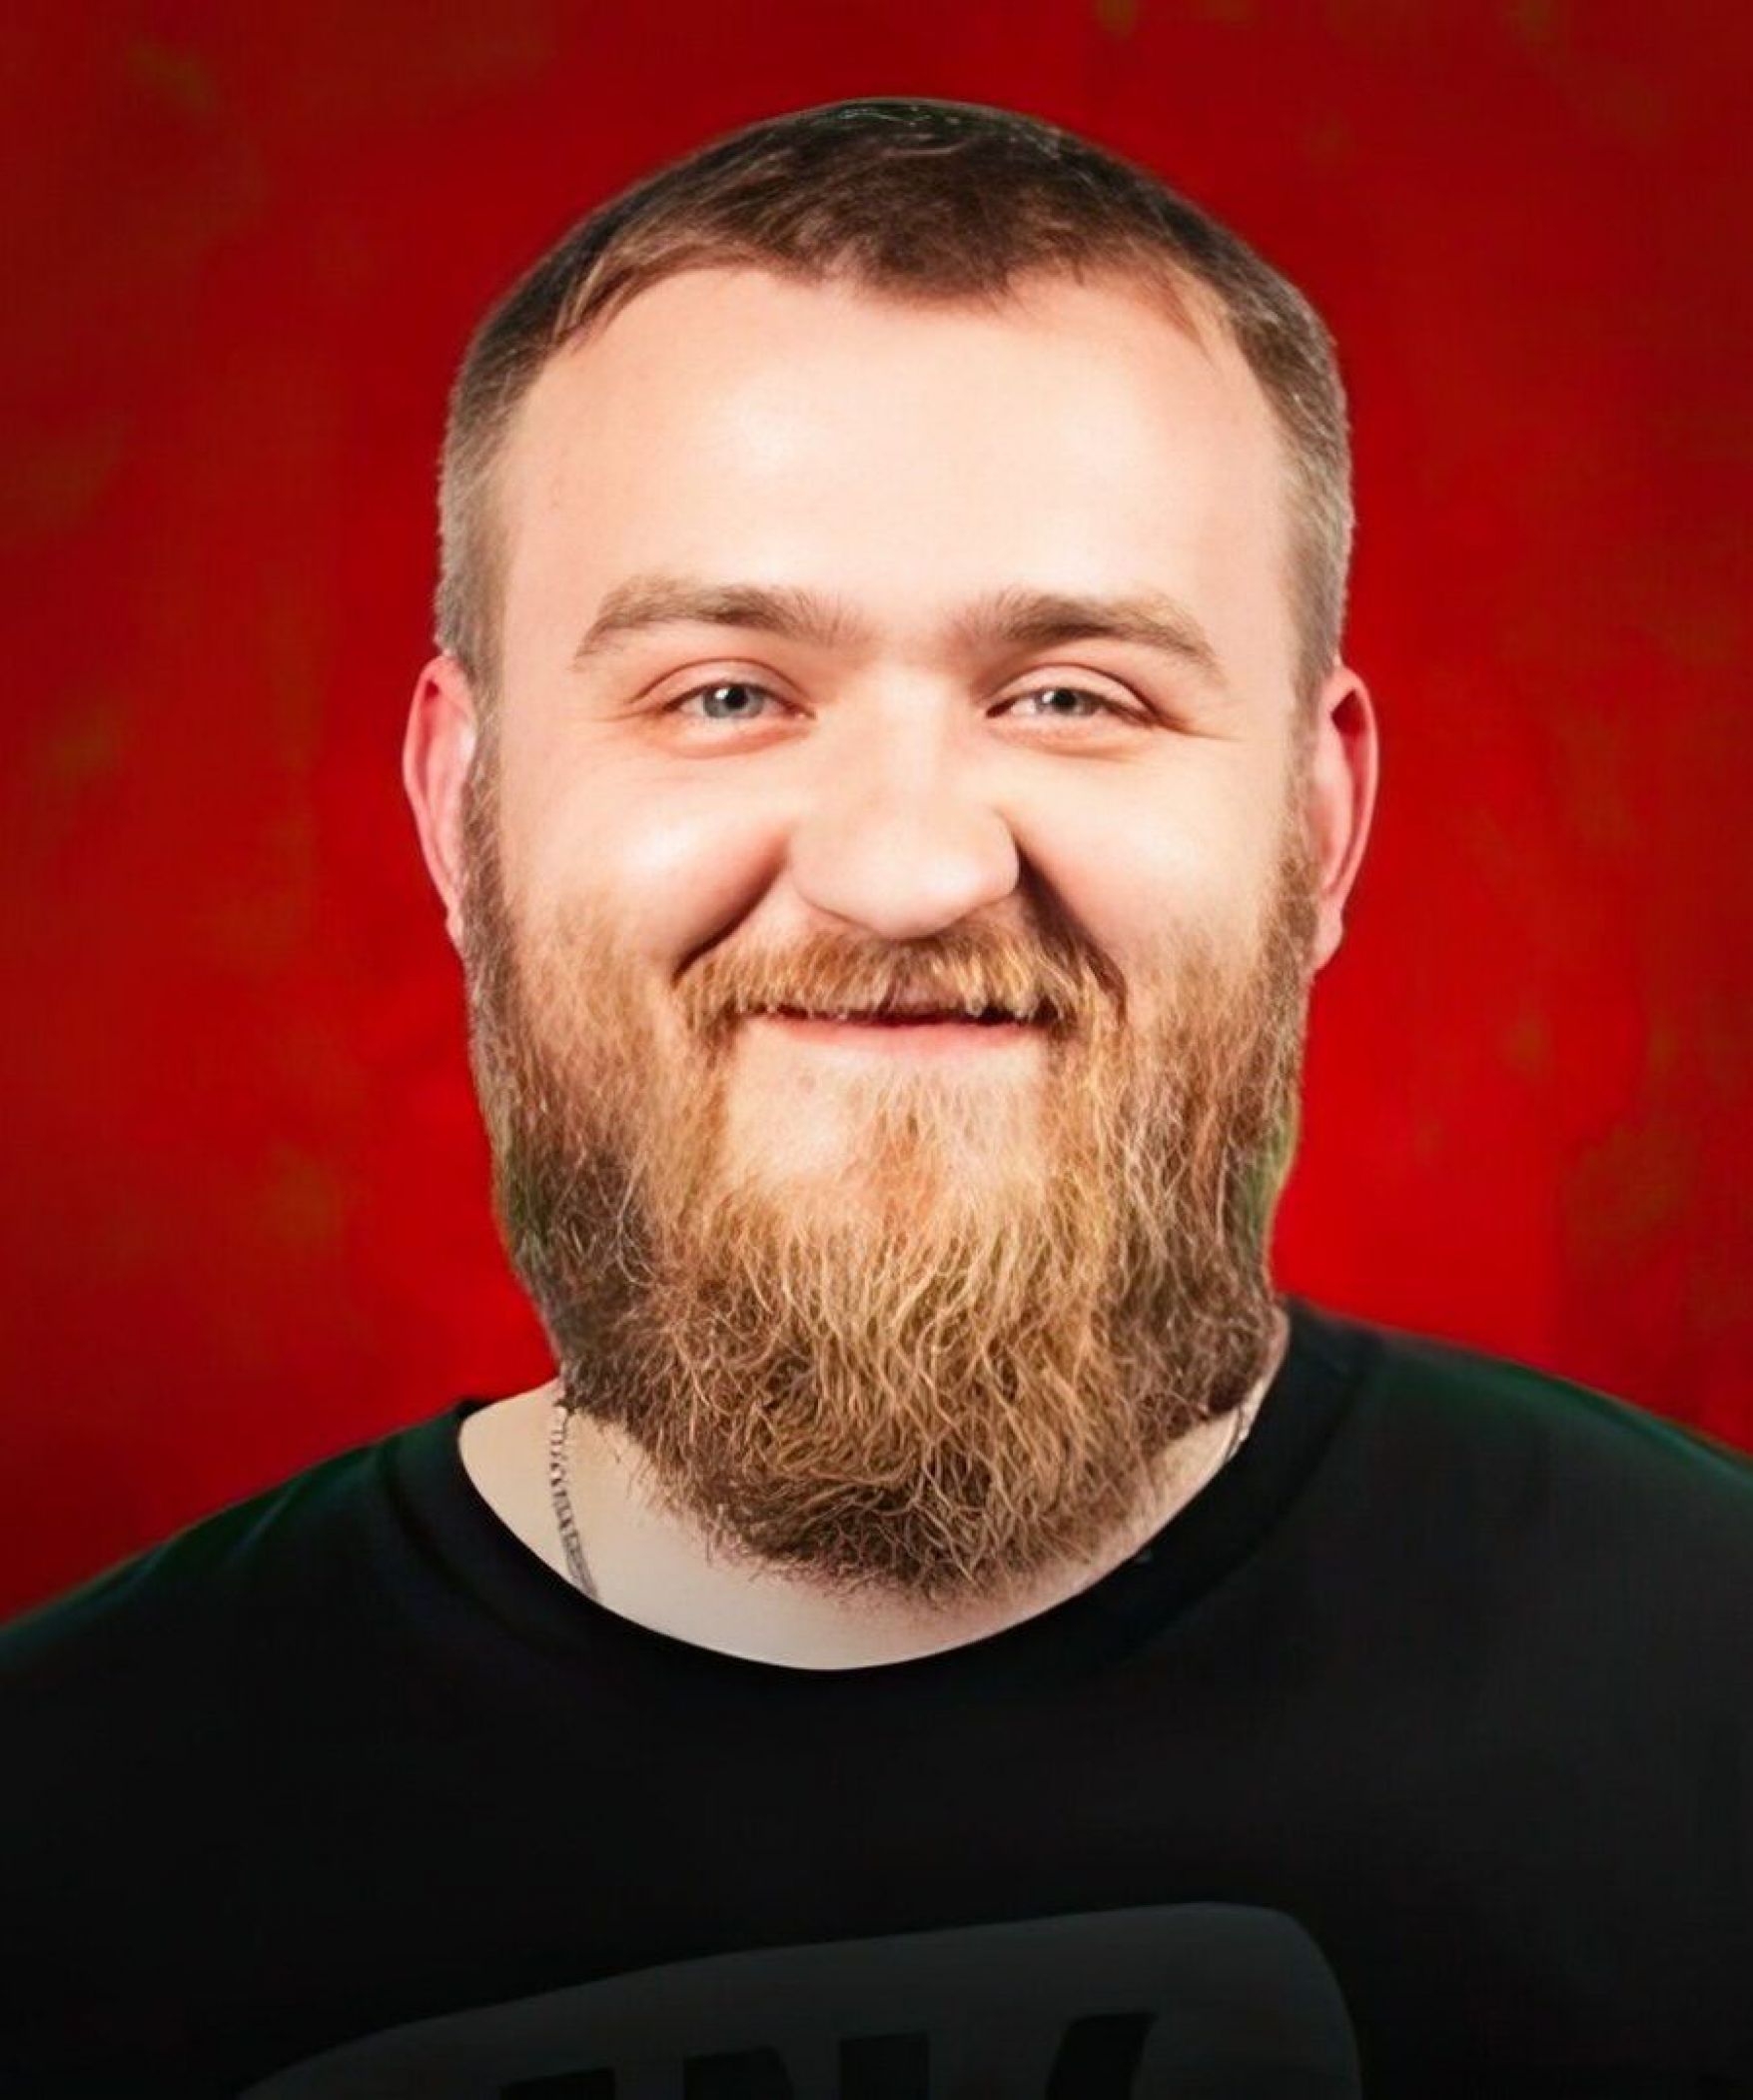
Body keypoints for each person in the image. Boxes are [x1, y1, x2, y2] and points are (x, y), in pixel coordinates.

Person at [4, 94, 1749, 2100]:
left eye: (1072, 694)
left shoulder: (1708, 1699)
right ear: (459, 810)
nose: (909, 869)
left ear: (1318, 819)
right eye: (726, 692)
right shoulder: (54, 1842)